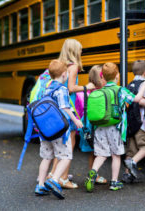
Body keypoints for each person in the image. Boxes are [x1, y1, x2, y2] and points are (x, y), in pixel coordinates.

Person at [84, 62, 145, 192]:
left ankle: (93, 172)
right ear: (117, 76)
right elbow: (137, 99)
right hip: (115, 128)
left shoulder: (100, 90)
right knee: (116, 155)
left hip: (100, 128)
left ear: (102, 77)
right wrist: (143, 86)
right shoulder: (120, 90)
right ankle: (114, 182)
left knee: (101, 154)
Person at [48, 39, 95, 189]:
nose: (81, 52)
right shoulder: (73, 66)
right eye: (80, 50)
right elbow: (71, 88)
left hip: (58, 105)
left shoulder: (61, 64)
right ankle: (62, 178)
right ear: (74, 51)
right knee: (70, 141)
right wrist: (86, 87)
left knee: (61, 141)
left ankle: (53, 173)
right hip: (69, 104)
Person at [36, 59, 83, 199]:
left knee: (46, 157)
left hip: (45, 130)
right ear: (64, 74)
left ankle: (41, 185)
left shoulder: (46, 86)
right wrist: (76, 120)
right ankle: (54, 179)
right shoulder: (62, 89)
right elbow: (65, 107)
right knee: (66, 156)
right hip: (59, 130)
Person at [75, 65, 107, 184]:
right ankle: (94, 175)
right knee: (97, 151)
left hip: (87, 126)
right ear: (100, 78)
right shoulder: (99, 93)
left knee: (93, 151)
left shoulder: (86, 92)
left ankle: (93, 173)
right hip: (95, 125)